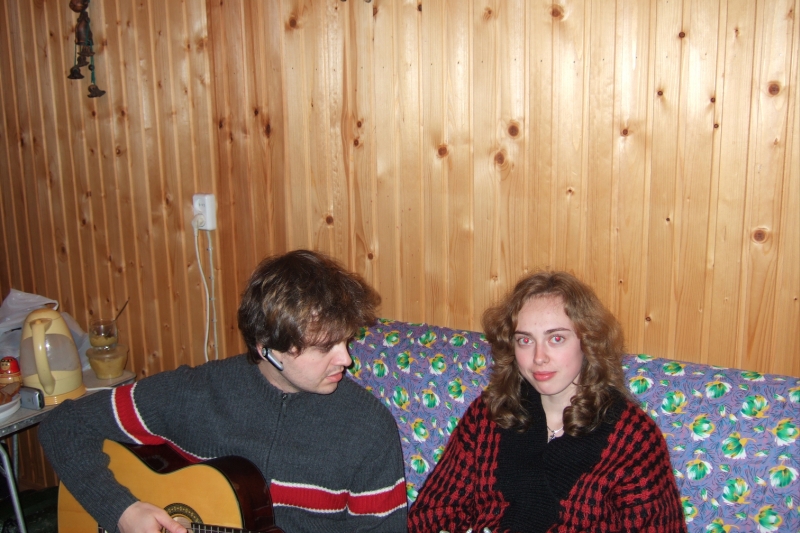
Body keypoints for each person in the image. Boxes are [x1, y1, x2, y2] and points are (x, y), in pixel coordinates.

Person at [40, 249, 408, 533]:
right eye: (325, 347)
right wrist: (122, 511)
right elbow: (64, 425)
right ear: (267, 348)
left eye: (346, 340)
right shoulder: (195, 393)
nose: (346, 359)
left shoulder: (368, 428)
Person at [408, 271, 686, 533]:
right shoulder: (491, 412)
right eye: (525, 341)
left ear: (588, 342)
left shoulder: (633, 438)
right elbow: (430, 515)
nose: (539, 357)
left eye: (556, 338)